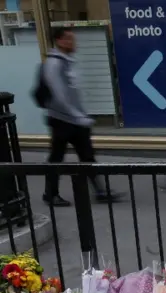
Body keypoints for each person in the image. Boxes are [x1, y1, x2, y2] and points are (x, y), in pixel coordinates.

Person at [42, 27, 122, 207]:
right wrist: (78, 116)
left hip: (74, 120)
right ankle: (50, 194)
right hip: (62, 120)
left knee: (87, 156)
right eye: (70, 39)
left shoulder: (67, 61)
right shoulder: (54, 64)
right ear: (60, 40)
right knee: (56, 158)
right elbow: (59, 95)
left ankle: (100, 191)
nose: (74, 43)